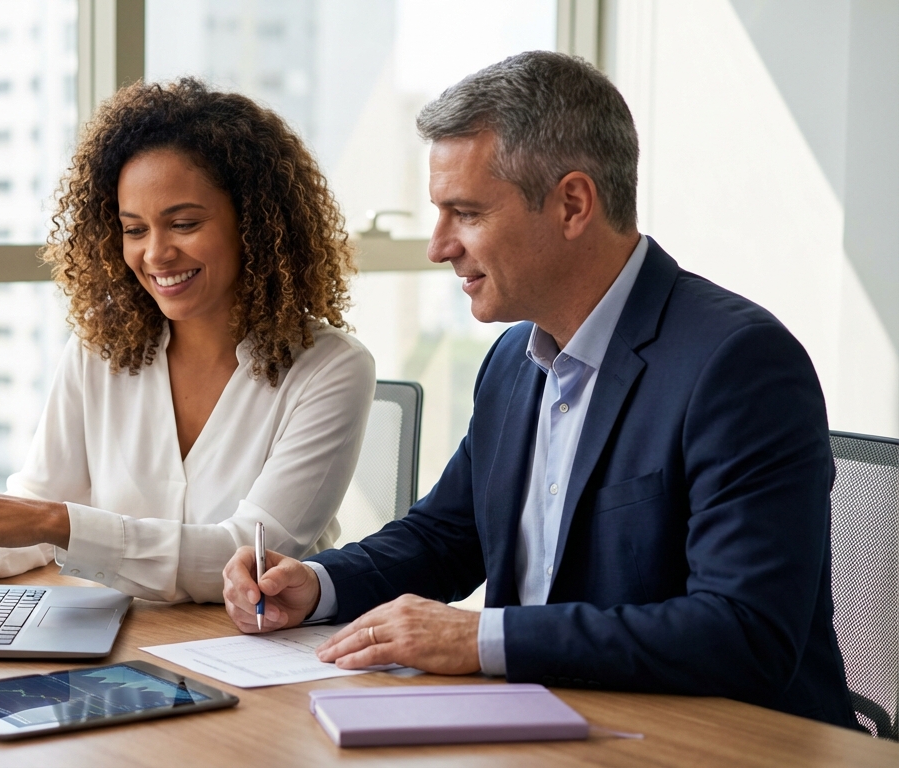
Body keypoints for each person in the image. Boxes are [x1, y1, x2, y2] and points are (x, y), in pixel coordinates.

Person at [222, 51, 858, 728]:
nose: (439, 246)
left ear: (573, 204)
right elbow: (447, 535)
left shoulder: (738, 364)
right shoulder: (513, 361)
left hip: (725, 744)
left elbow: (744, 632)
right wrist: (317, 585)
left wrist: (480, 639)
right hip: (553, 726)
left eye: (464, 213)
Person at [0, 79, 375, 603]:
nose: (156, 254)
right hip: (121, 651)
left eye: (183, 223)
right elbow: (41, 507)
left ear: (254, 224)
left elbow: (249, 561)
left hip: (260, 657)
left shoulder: (332, 368)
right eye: (134, 230)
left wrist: (58, 522)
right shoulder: (100, 348)